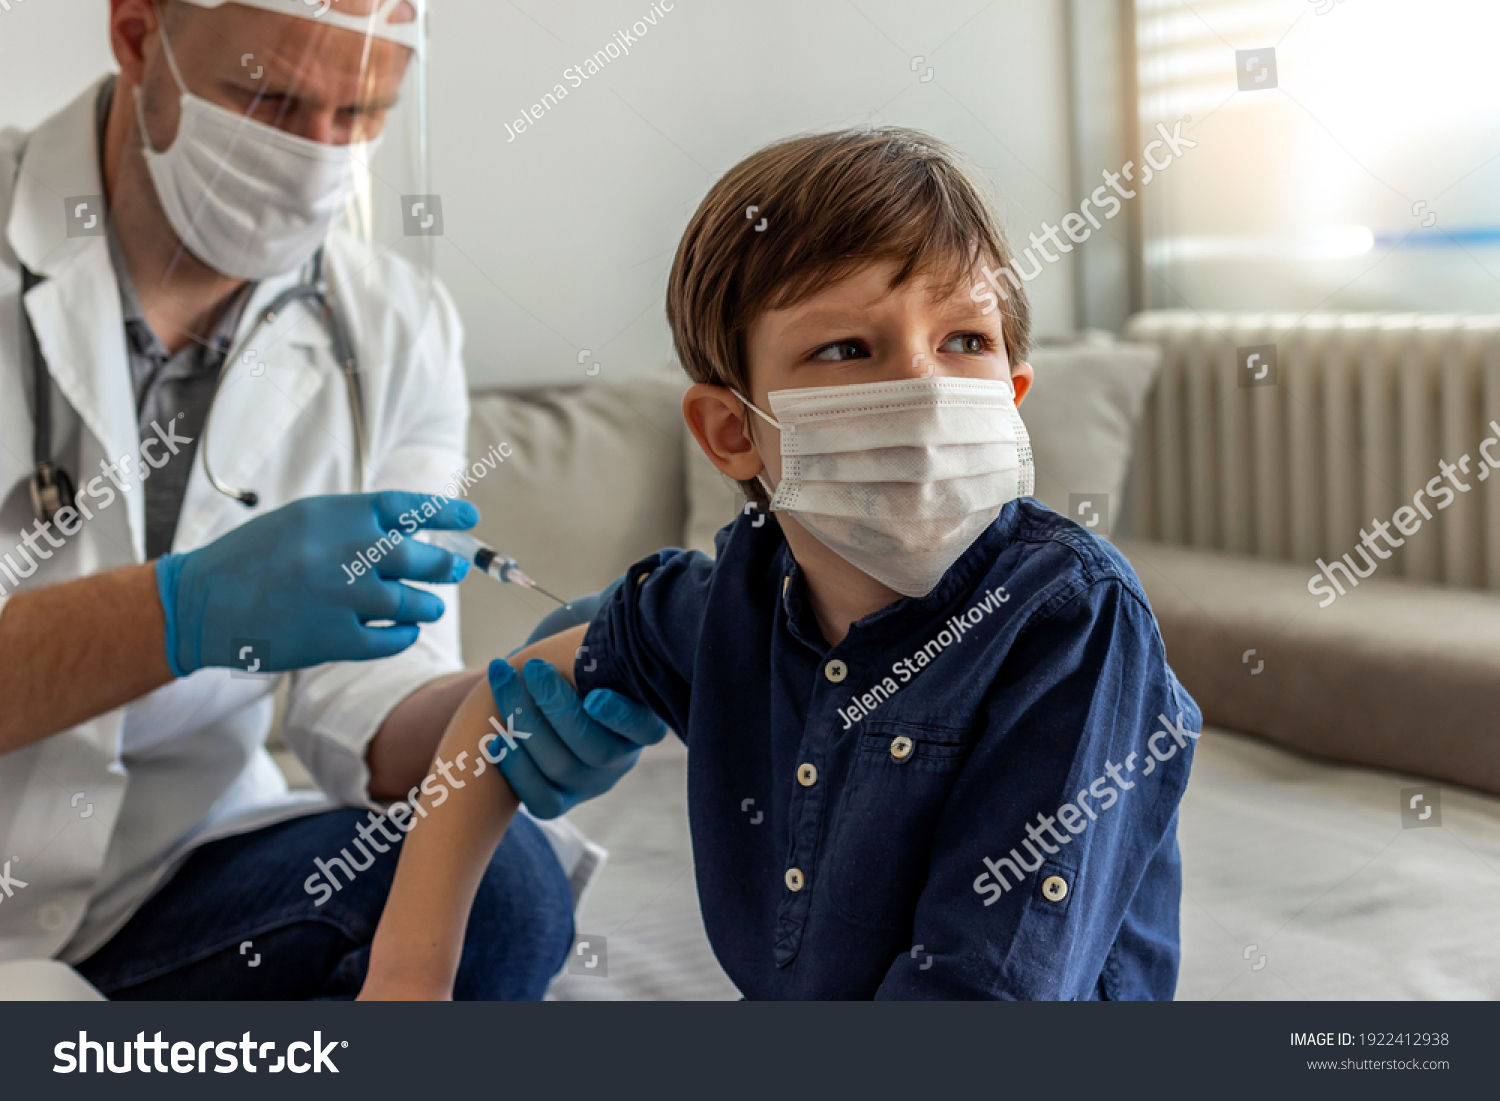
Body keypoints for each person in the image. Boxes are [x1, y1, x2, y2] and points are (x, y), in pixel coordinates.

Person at [357, 128, 1202, 1001]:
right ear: (733, 432)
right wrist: (405, 983)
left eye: (964, 340)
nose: (924, 385)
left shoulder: (1070, 620)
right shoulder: (728, 602)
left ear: (1013, 395)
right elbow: (498, 703)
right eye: (845, 349)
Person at [0, 0, 663, 1000]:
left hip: (161, 885)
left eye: (361, 112)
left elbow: (366, 699)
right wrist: (182, 612)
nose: (318, 155)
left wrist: (504, 716)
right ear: (139, 36)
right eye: (265, 96)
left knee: (503, 892)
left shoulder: (394, 327)